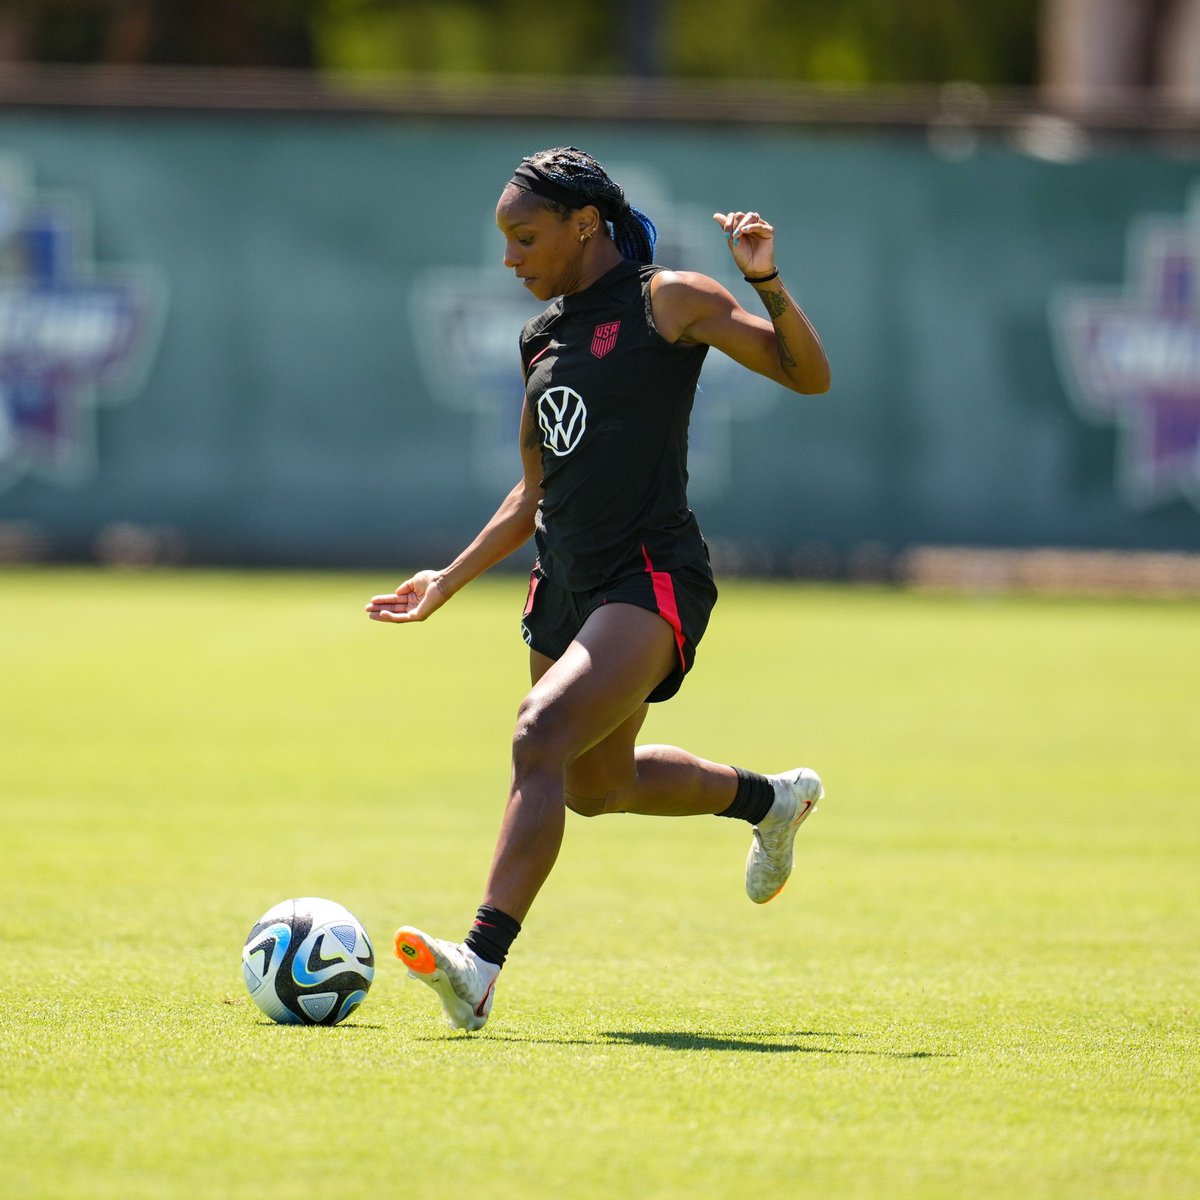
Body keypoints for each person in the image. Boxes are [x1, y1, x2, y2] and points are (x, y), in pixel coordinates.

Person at [366, 146, 831, 1032]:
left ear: (585, 226)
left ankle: (479, 964)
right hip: (565, 582)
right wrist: (447, 582)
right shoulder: (541, 336)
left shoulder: (671, 300)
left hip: (649, 573)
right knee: (593, 784)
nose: (511, 259)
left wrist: (767, 283)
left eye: (525, 237)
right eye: (506, 241)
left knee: (537, 733)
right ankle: (771, 800)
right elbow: (532, 492)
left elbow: (809, 375)